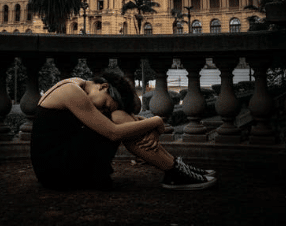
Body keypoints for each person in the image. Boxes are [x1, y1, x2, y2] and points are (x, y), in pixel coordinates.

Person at [30, 71, 217, 191]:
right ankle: (173, 170)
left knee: (119, 117)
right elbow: (113, 133)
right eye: (105, 105)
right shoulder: (72, 92)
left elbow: (122, 125)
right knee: (117, 118)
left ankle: (174, 167)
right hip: (55, 172)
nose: (103, 111)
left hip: (61, 163)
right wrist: (156, 120)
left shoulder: (77, 83)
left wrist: (150, 124)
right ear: (103, 86)